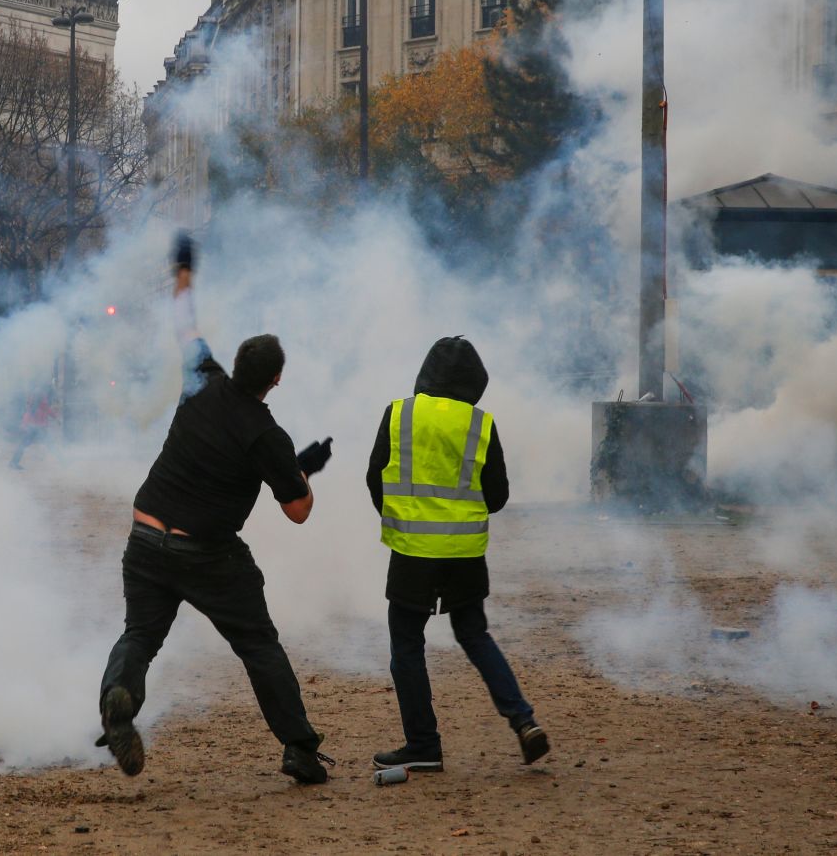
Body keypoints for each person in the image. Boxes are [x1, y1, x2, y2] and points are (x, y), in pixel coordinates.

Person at [97, 233, 337, 785]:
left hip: (145, 533)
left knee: (140, 634)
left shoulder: (201, 379)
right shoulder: (266, 434)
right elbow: (298, 510)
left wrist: (183, 271)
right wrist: (304, 470)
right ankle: (299, 749)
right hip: (204, 553)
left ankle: (120, 698)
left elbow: (184, 322)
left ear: (233, 363)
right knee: (257, 644)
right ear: (276, 379)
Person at [365, 336, 549, 775]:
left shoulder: (400, 413)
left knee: (407, 642)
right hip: (465, 551)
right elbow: (499, 495)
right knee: (474, 634)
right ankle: (523, 720)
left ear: (426, 373)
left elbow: (375, 476)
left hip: (412, 550)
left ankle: (423, 744)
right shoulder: (481, 424)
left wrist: (401, 516)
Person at [8, 390, 57, 470]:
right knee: (50, 444)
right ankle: (63, 461)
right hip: (34, 429)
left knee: (49, 444)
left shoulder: (38, 402)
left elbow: (47, 410)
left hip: (37, 429)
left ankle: (13, 462)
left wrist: (55, 417)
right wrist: (24, 425)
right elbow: (28, 415)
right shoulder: (37, 403)